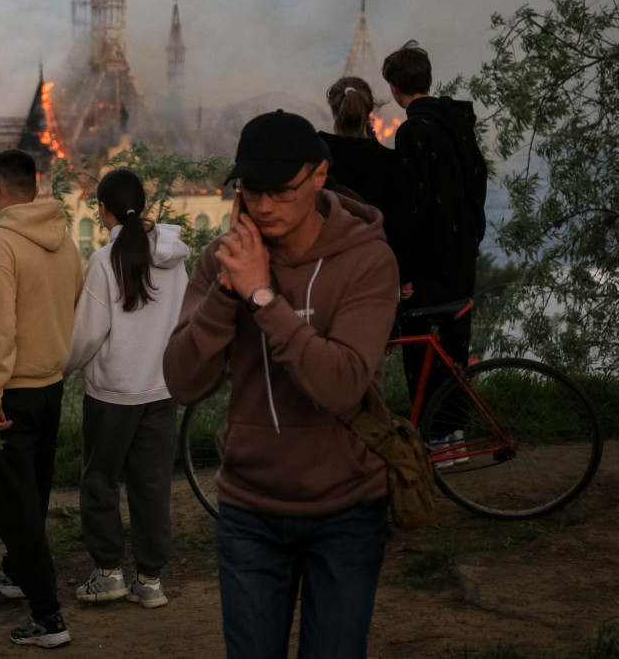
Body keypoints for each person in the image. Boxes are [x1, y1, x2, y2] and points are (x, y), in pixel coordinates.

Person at [163, 110, 400, 659]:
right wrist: (229, 290)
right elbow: (181, 381)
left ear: (318, 175)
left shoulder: (367, 259)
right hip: (250, 510)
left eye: (280, 191)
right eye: (251, 190)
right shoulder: (221, 263)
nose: (264, 206)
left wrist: (264, 298)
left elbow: (341, 384)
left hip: (345, 509)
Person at [0, 149, 84, 649]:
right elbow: (74, 300)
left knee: (14, 508)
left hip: (11, 392)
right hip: (50, 386)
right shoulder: (64, 241)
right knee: (31, 496)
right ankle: (16, 572)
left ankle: (48, 616)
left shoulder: (1, 243)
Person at [65, 168, 188, 609]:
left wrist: (61, 368)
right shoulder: (175, 258)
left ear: (103, 210)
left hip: (112, 395)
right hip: (160, 389)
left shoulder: (103, 260)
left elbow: (87, 336)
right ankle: (150, 580)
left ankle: (108, 572)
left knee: (100, 480)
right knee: (152, 485)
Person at [382, 41, 488, 434]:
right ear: (428, 79)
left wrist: (404, 273)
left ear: (394, 88)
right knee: (455, 349)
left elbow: (411, 210)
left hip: (428, 265)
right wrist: (472, 237)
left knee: (422, 351)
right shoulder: (460, 123)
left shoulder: (413, 132)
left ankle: (436, 438)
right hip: (462, 257)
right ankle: (455, 435)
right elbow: (479, 183)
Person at [317, 76, 410, 261]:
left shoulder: (315, 156)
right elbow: (398, 226)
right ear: (368, 112)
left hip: (322, 263)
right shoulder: (389, 163)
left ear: (334, 112)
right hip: (372, 264)